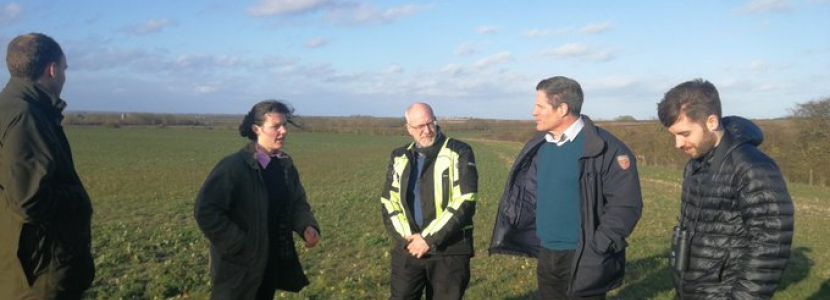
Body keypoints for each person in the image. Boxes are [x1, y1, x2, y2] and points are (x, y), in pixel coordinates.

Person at [489, 76, 643, 299]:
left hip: (585, 255)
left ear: (562, 108)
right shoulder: (539, 145)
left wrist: (598, 248)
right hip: (547, 252)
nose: (533, 112)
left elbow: (626, 206)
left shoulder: (607, 149)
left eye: (540, 106)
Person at [657, 79, 794, 299]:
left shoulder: (752, 167)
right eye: (674, 135)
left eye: (684, 134)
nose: (678, 144)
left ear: (711, 121)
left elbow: (770, 248)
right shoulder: (696, 162)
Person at [0, 32, 95, 299]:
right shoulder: (26, 116)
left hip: (16, 258)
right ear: (52, 69)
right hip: (39, 271)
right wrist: (77, 198)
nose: (64, 76)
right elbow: (29, 200)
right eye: (64, 68)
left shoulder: (7, 107)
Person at [194, 100, 321, 300]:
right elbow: (206, 210)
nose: (283, 131)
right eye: (276, 126)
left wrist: (306, 226)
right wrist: (240, 243)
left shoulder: (285, 165)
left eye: (285, 125)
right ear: (256, 129)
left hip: (269, 262)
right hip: (237, 267)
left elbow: (297, 202)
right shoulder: (233, 167)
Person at [380, 102, 478, 300]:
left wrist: (428, 239)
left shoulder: (460, 151)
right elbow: (389, 201)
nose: (427, 130)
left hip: (450, 250)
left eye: (430, 123)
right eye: (419, 126)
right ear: (409, 128)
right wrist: (407, 238)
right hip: (408, 248)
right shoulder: (399, 156)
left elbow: (465, 200)